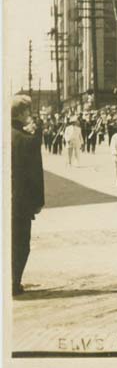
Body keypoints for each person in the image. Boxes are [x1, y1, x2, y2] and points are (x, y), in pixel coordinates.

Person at [11, 95, 45, 297]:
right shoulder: (24, 139)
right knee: (20, 243)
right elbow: (34, 172)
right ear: (22, 113)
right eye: (28, 111)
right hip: (19, 201)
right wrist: (38, 202)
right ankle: (13, 282)